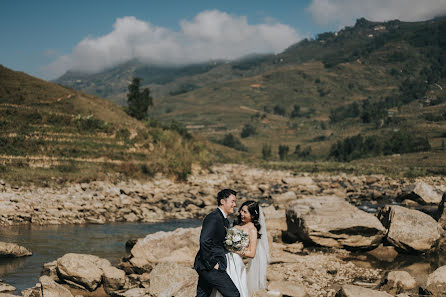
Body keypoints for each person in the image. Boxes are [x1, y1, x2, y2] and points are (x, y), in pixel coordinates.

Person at [211, 200, 270, 297]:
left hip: (236, 262)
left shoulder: (252, 230)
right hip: (224, 259)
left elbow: (251, 253)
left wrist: (233, 249)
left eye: (245, 212)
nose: (241, 213)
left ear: (253, 216)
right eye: (241, 210)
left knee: (234, 287)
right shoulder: (237, 225)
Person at [194, 189, 240, 297]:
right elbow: (204, 240)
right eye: (232, 201)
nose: (235, 204)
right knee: (233, 294)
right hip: (210, 266)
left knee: (202, 295)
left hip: (207, 265)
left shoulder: (224, 220)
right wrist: (212, 263)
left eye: (235, 202)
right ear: (223, 201)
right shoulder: (213, 218)